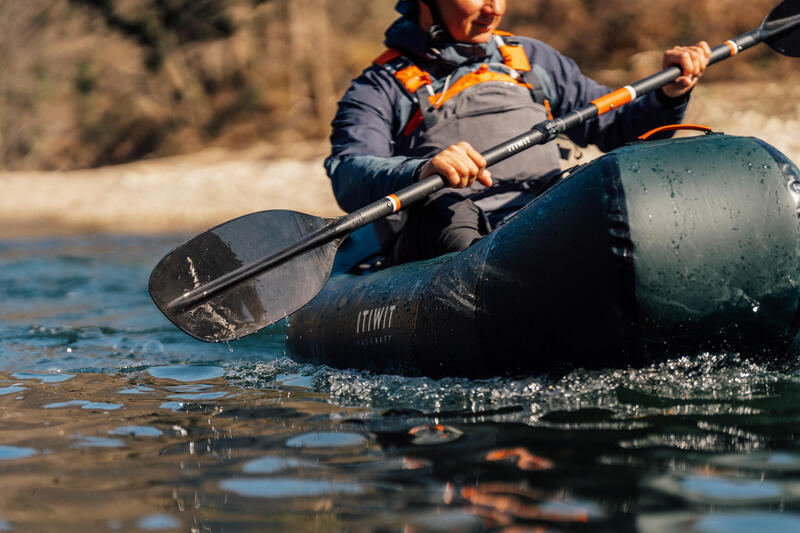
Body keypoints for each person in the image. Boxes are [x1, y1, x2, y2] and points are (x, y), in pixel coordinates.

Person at [325, 0, 711, 265]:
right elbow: (349, 172)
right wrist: (420, 169)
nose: (493, 8)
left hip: (537, 228)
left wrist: (668, 94)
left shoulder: (530, 59)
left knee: (592, 180)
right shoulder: (380, 86)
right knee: (446, 207)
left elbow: (618, 130)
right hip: (447, 247)